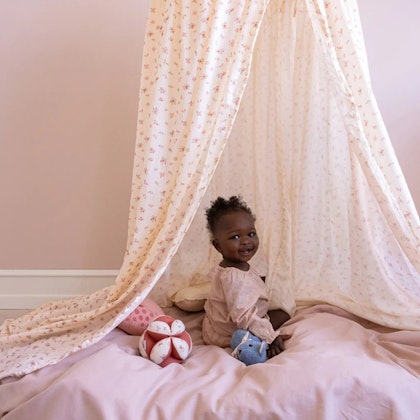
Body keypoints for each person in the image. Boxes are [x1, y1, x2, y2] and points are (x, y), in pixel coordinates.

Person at [202, 195, 290, 359]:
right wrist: (270, 336)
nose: (246, 241)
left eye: (251, 234)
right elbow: (243, 316)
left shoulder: (231, 266)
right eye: (235, 237)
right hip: (230, 332)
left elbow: (242, 287)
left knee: (281, 313)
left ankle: (261, 329)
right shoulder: (233, 277)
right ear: (218, 245)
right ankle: (254, 345)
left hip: (217, 325)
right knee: (283, 315)